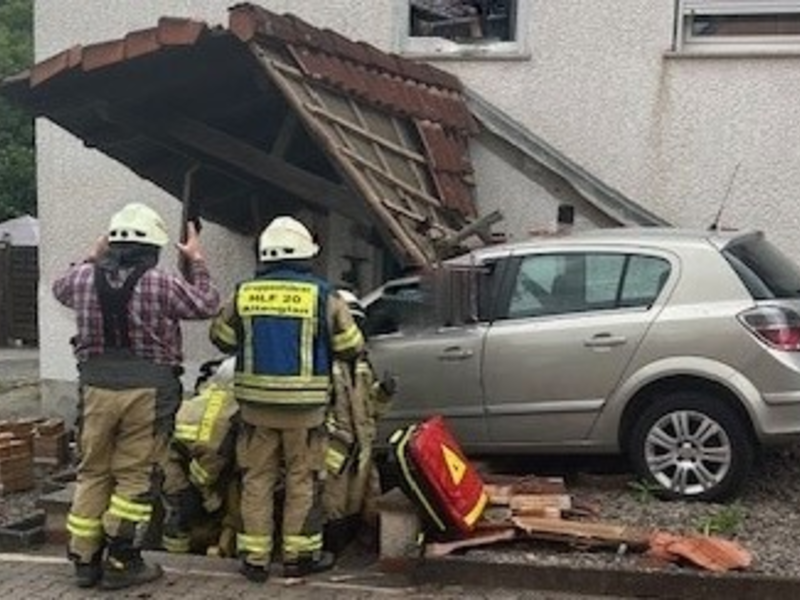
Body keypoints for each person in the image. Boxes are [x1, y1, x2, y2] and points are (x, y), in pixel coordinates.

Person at [53, 203, 220, 590]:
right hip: (148, 392)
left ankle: (84, 559)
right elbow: (207, 304)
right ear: (153, 248)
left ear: (112, 242)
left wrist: (92, 255)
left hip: (95, 388)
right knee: (135, 473)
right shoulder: (161, 283)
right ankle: (122, 561)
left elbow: (60, 287)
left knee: (93, 470)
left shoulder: (81, 279)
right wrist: (196, 261)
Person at [209, 215, 364, 583]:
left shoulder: (244, 293)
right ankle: (299, 557)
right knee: (302, 481)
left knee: (256, 480)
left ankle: (255, 559)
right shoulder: (324, 296)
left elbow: (221, 339)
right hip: (306, 413)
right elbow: (351, 346)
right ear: (306, 255)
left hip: (255, 412)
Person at [323, 289, 396, 555]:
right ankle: (332, 552)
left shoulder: (362, 364)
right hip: (334, 453)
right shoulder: (323, 365)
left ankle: (354, 548)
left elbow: (371, 410)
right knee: (333, 505)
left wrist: (384, 393)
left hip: (361, 451)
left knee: (366, 503)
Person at [161, 356, 240, 557]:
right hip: (170, 461)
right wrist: (209, 499)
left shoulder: (210, 393)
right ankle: (177, 560)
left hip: (182, 456)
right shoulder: (226, 413)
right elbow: (207, 469)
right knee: (183, 509)